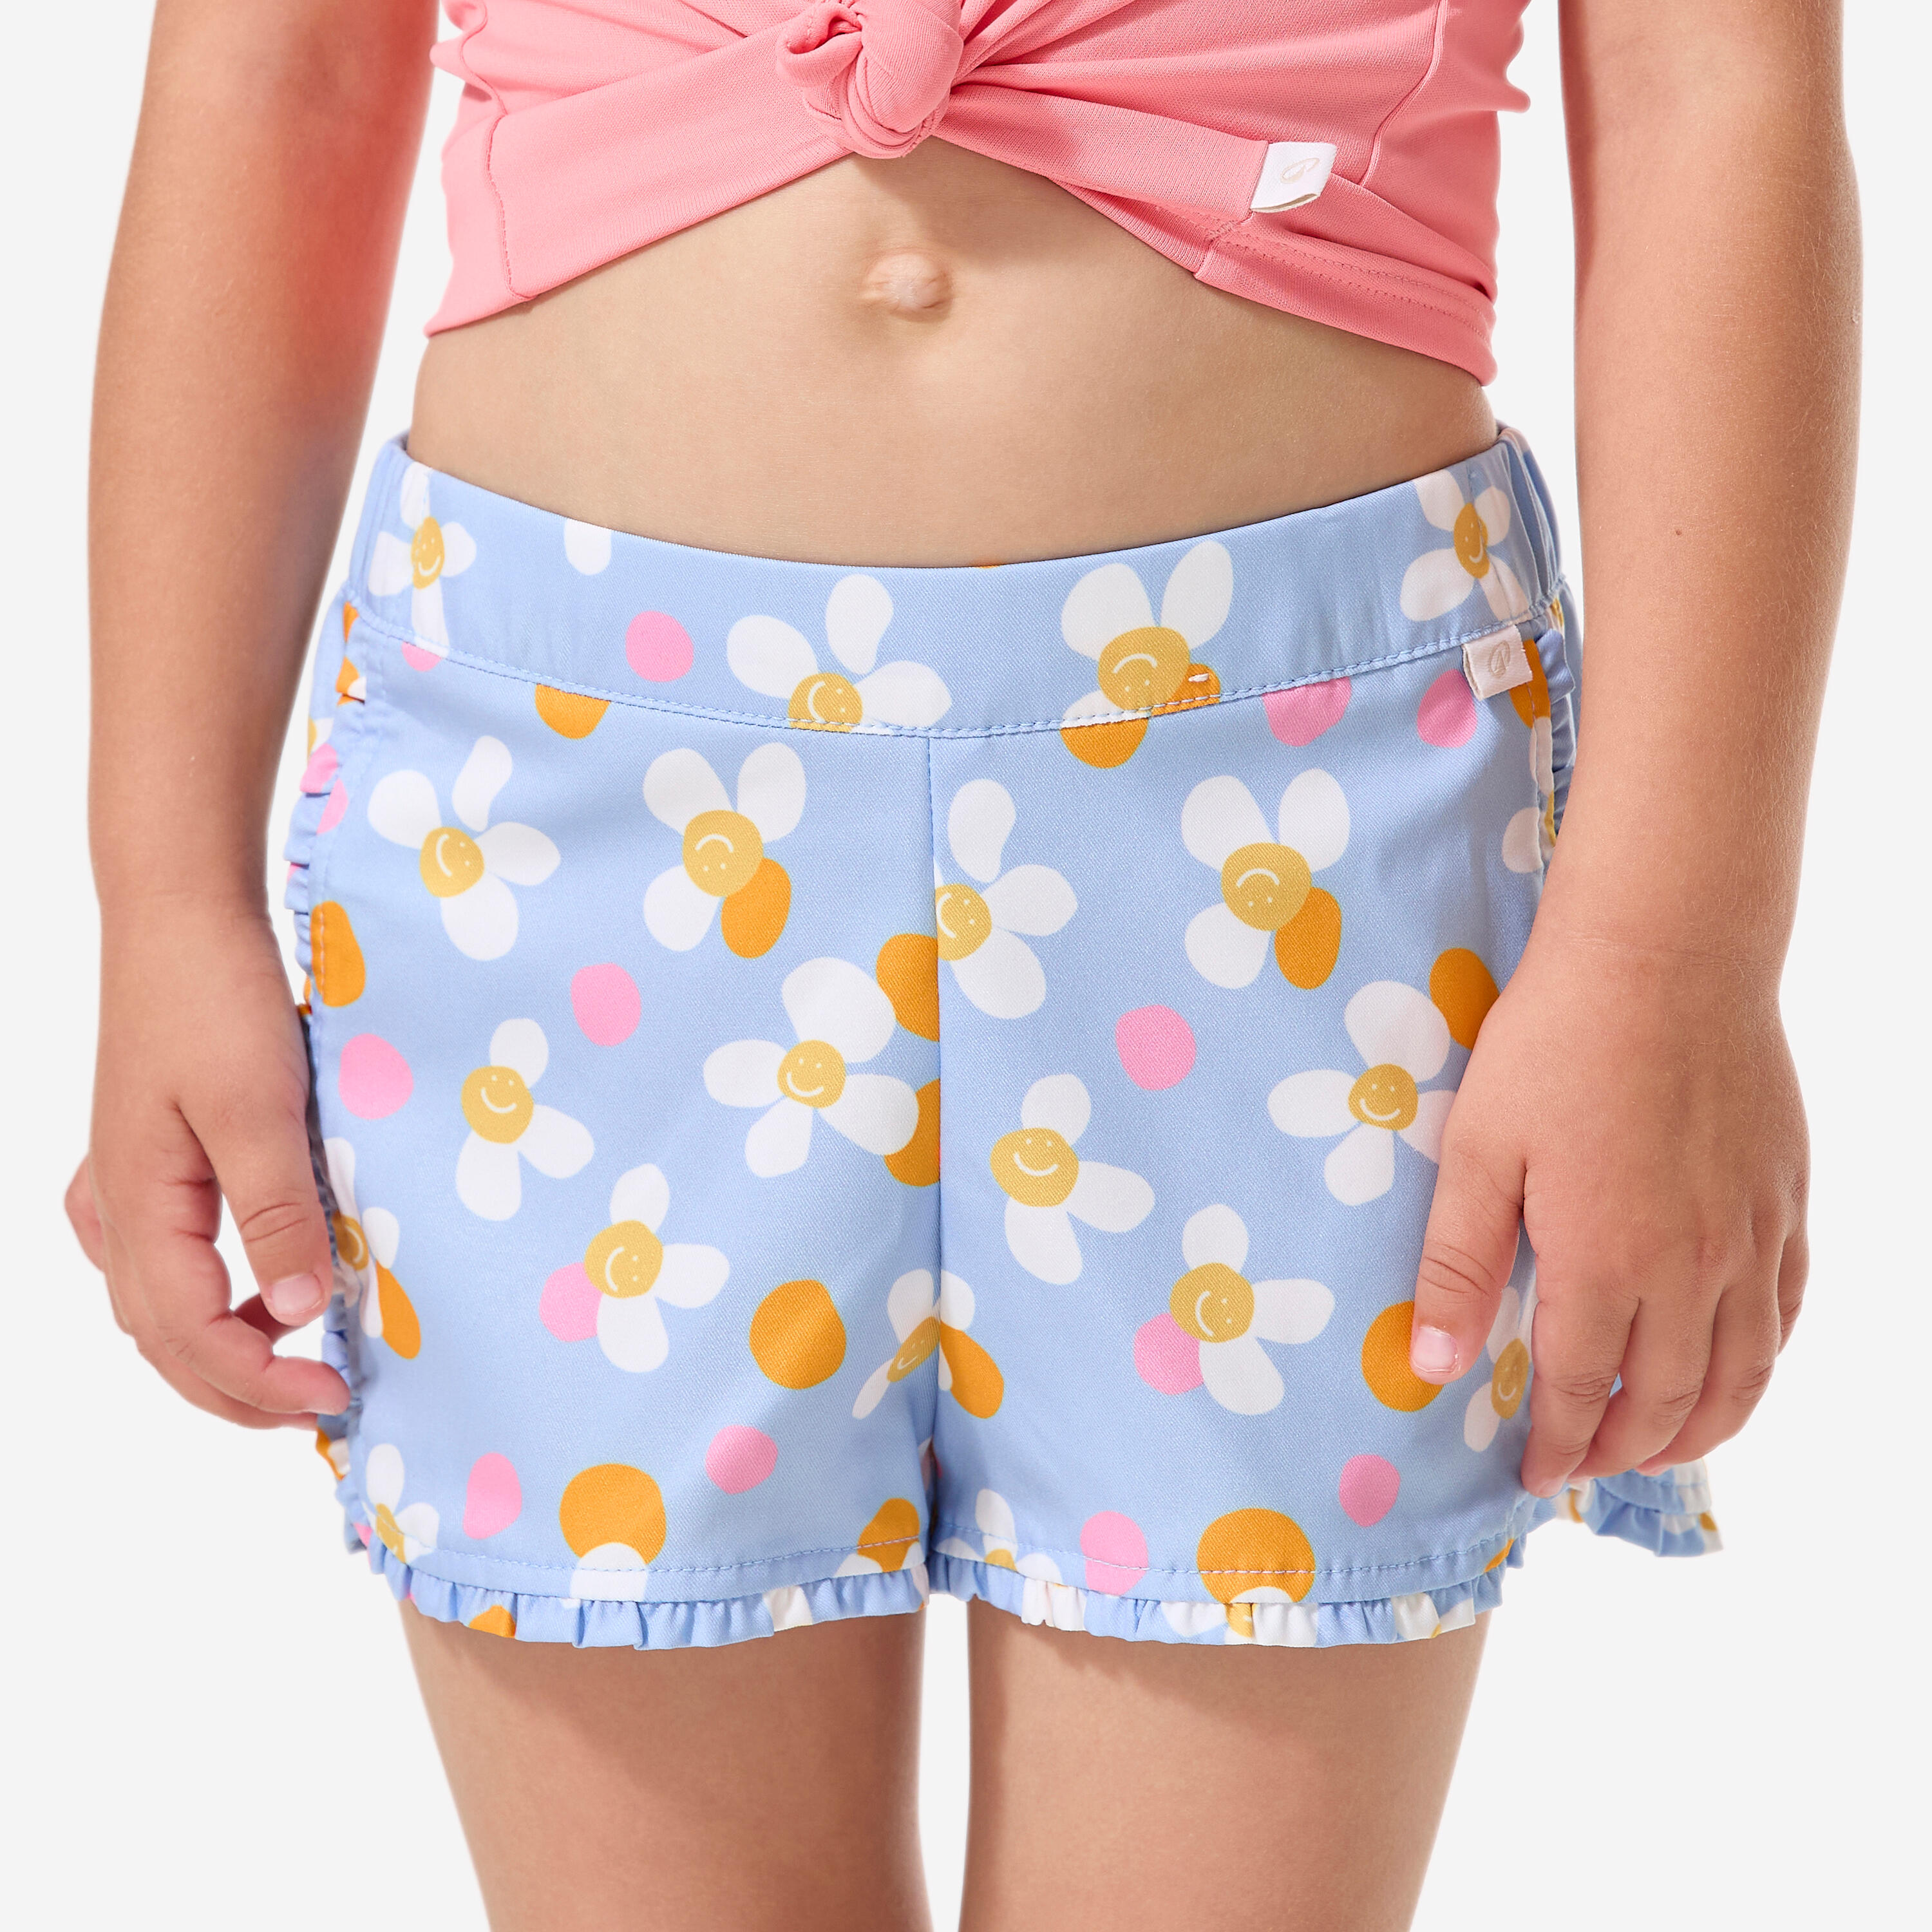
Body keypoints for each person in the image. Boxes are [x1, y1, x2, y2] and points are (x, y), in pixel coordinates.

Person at [67, 2, 1856, 1926]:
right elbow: (278, 68)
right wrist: (162, 898)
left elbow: (1711, 78)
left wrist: (1678, 947)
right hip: (572, 814)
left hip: (1296, 821)